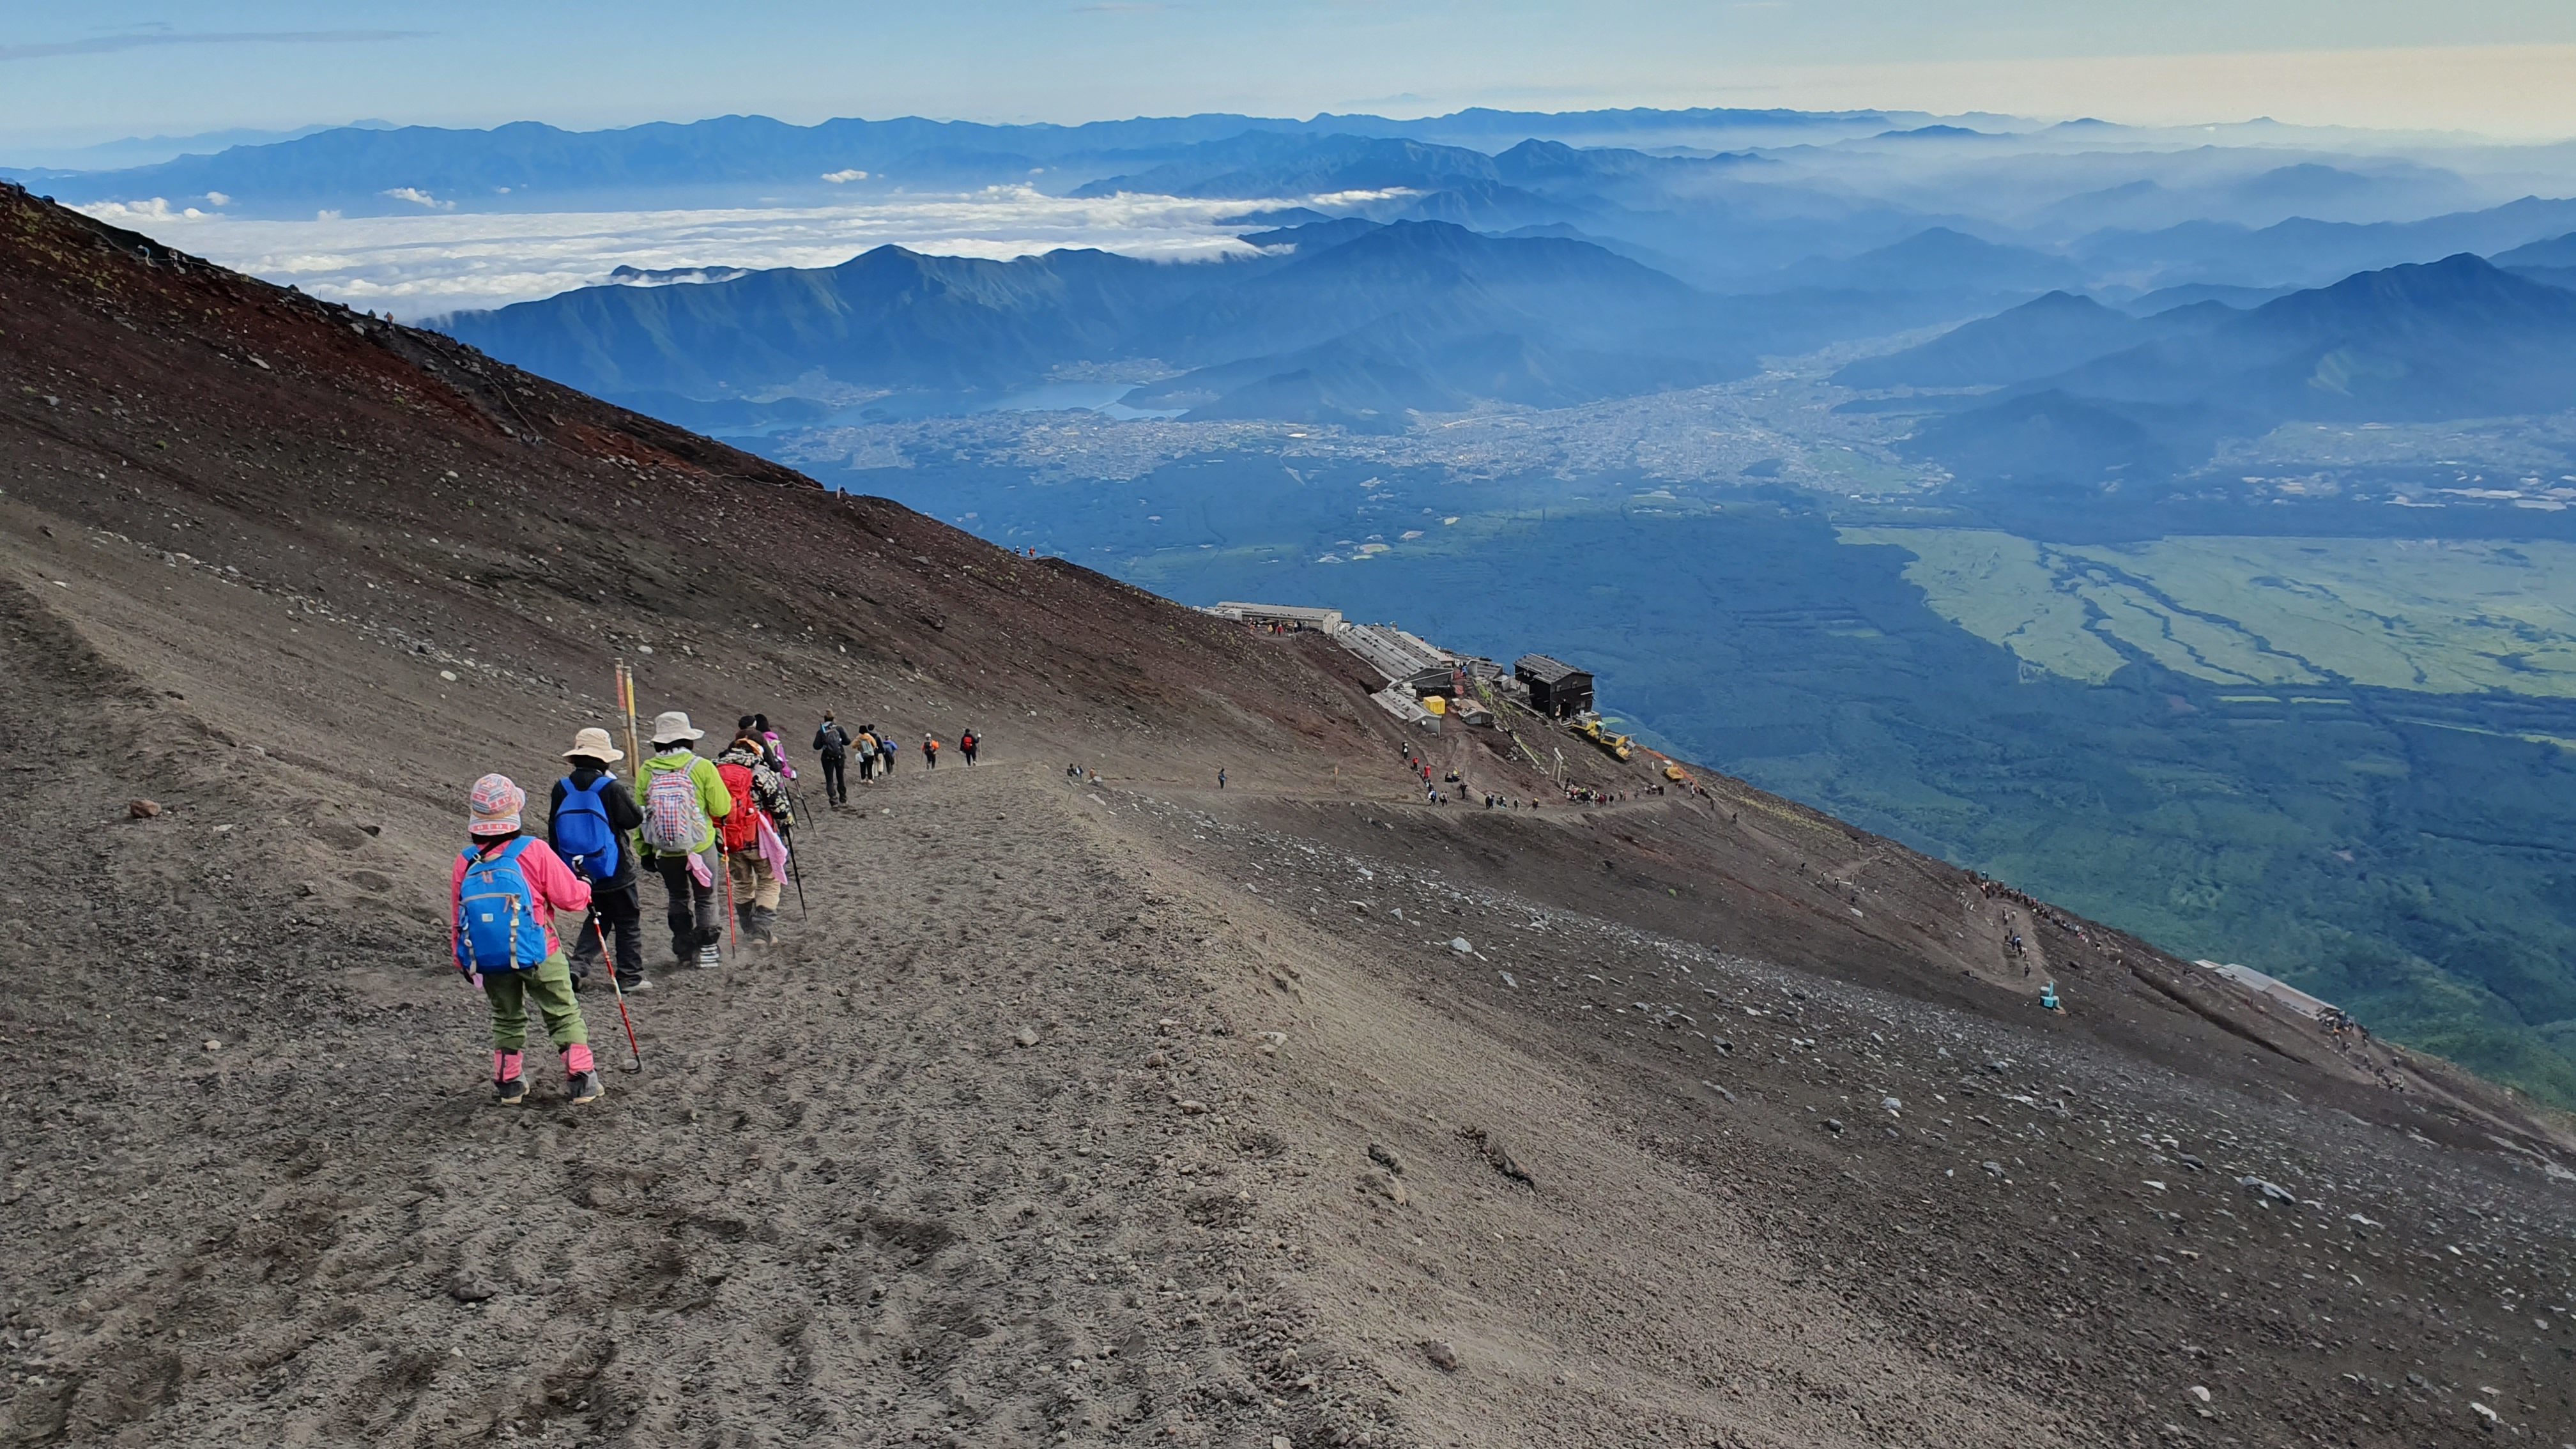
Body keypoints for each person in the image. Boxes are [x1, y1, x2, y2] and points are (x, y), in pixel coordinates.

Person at [450, 774, 602, 1105]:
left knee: (505, 1017)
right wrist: (586, 884)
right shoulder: (534, 851)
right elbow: (571, 899)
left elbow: (457, 917)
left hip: (490, 959)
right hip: (540, 951)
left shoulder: (466, 860)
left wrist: (462, 958)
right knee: (563, 1012)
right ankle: (581, 1081)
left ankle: (509, 1085)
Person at [548, 727, 650, 995]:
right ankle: (630, 976)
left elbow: (553, 831)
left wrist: (565, 868)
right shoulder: (610, 787)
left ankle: (578, 966)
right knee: (627, 919)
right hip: (615, 867)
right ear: (605, 759)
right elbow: (633, 820)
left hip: (580, 869)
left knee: (597, 917)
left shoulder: (562, 788)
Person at [637, 710, 731, 969]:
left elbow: (641, 814)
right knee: (706, 897)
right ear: (687, 739)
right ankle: (708, 951)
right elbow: (722, 808)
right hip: (700, 846)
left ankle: (683, 949)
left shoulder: (647, 770)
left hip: (666, 851)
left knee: (677, 897)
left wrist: (644, 850)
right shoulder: (702, 767)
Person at [716, 723, 796, 945]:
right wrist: (787, 823)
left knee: (742, 883)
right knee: (769, 880)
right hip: (757, 836)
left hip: (728, 838)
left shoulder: (715, 770)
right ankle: (762, 931)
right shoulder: (761, 771)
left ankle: (748, 929)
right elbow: (779, 805)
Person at [813, 713, 851, 806]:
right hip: (839, 756)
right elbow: (848, 741)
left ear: (825, 719)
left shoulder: (821, 731)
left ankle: (833, 800)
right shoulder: (839, 729)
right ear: (834, 718)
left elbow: (816, 746)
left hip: (827, 758)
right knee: (840, 777)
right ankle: (843, 799)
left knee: (829, 779)